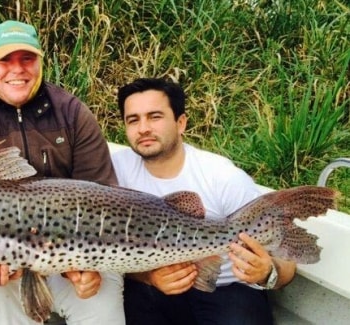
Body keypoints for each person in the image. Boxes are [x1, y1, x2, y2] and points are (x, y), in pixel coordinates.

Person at [0, 20, 125, 325]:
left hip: (78, 252)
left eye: (27, 58)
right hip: (1, 262)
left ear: (40, 61)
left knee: (100, 305)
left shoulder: (74, 113)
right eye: (5, 60)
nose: (18, 69)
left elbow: (102, 199)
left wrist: (87, 266)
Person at [111, 77, 297, 324]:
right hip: (154, 287)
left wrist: (267, 273)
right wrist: (148, 277)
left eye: (155, 117)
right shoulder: (115, 170)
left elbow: (287, 259)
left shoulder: (222, 177)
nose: (143, 128)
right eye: (133, 119)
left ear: (181, 123)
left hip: (227, 289)